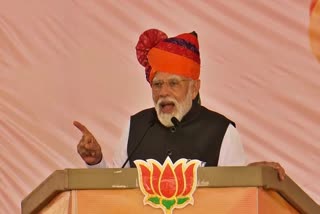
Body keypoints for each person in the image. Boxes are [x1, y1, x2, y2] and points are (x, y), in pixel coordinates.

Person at [74, 29, 285, 180]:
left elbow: (237, 195)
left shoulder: (221, 131)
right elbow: (111, 187)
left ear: (194, 89)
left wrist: (251, 177)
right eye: (157, 84)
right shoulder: (136, 126)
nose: (163, 92)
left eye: (173, 83)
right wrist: (95, 161)